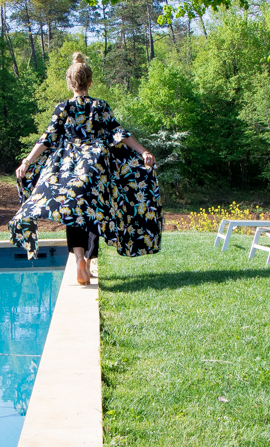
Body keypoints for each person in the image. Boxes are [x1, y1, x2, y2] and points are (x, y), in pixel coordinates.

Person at [11, 52, 162, 285]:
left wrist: (26, 162)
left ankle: (79, 258)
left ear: (70, 83)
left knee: (73, 213)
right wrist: (143, 152)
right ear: (90, 82)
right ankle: (88, 264)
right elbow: (120, 135)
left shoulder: (62, 108)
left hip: (68, 170)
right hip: (96, 168)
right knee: (94, 213)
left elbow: (46, 139)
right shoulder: (100, 106)